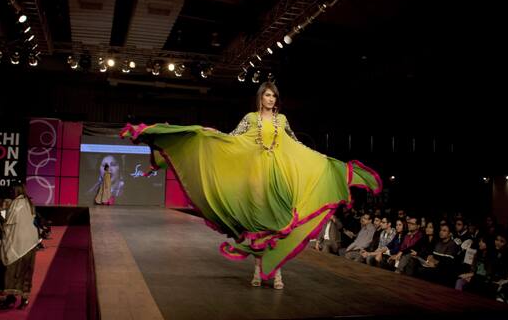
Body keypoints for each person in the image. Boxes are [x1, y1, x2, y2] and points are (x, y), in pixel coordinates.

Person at [121, 82, 382, 289]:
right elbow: (233, 140)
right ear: (260, 97)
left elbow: (295, 145)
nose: (270, 99)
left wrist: (322, 159)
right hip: (255, 179)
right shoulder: (250, 118)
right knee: (258, 226)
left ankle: (274, 271)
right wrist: (208, 135)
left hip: (278, 178)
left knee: (279, 224)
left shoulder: (282, 121)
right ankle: (261, 270)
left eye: (273, 96)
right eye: (267, 95)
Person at [0, 183, 40, 309]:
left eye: (12, 190)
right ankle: (24, 300)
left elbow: (8, 224)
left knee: (12, 271)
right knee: (26, 271)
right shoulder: (29, 203)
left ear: (15, 191)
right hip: (30, 243)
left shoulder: (16, 204)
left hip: (17, 243)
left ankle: (10, 298)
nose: (11, 192)